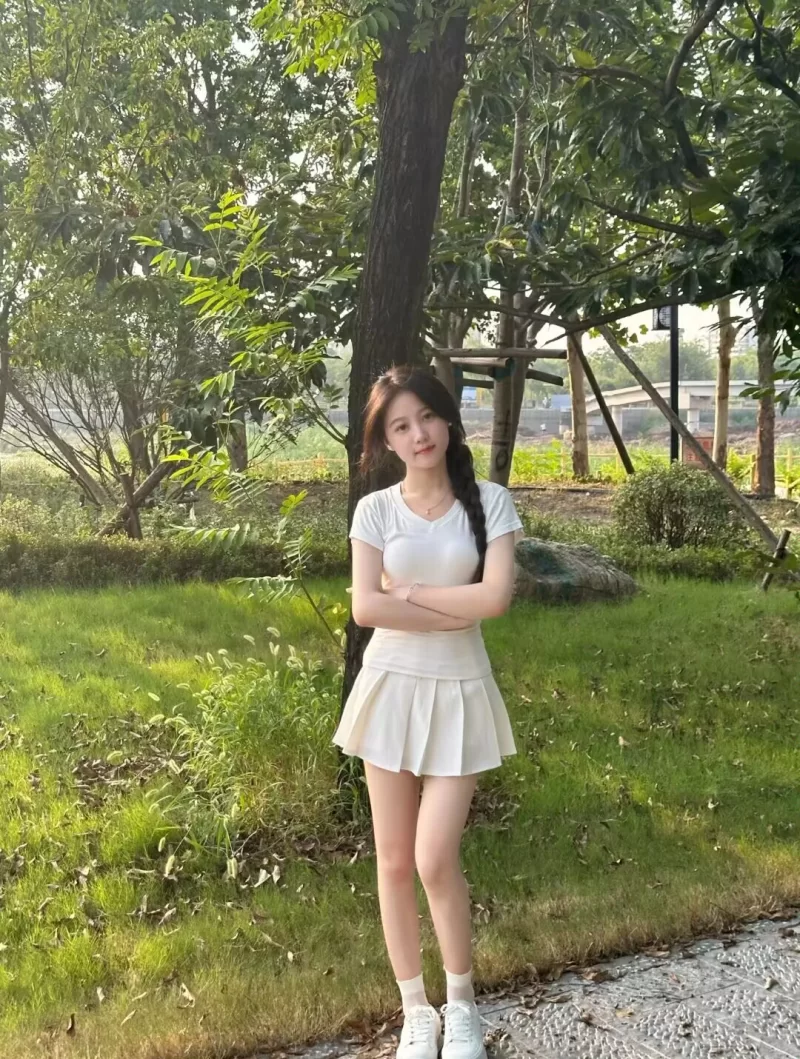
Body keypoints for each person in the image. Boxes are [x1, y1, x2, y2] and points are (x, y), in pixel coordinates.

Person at [333, 366, 523, 1059]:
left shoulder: (491, 502)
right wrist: (449, 608)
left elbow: (495, 599)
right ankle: (417, 1011)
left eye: (427, 418)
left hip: (461, 690)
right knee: (392, 862)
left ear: (447, 419)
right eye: (401, 426)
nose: (418, 434)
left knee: (435, 856)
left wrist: (409, 593)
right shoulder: (375, 511)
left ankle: (462, 1004)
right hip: (391, 688)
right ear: (385, 441)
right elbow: (366, 607)